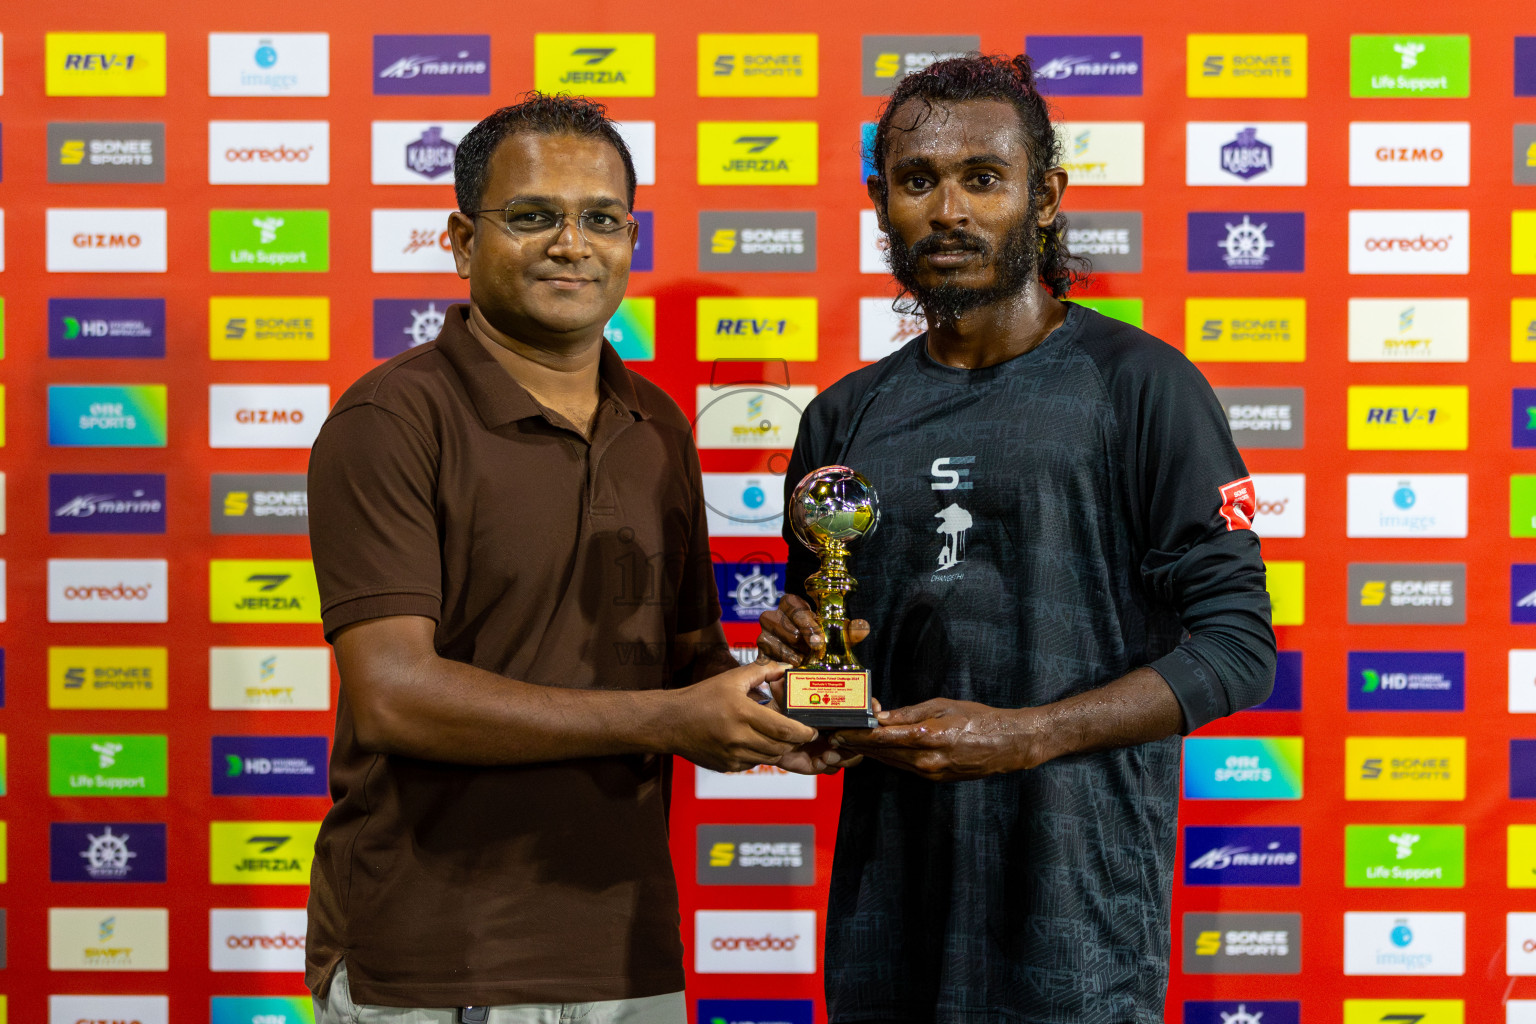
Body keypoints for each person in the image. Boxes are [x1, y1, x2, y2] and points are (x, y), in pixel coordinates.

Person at [757, 55, 1276, 1023]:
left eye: (982, 178)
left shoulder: (1143, 387)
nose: (947, 208)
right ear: (881, 203)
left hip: (1079, 934)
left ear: (1045, 198)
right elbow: (831, 653)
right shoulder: (841, 418)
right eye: (917, 181)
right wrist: (803, 679)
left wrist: (1025, 736)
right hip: (888, 932)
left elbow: (1241, 648)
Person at [305, 93, 816, 1024]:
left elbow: (688, 665)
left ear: (630, 238)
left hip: (627, 957)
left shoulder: (658, 423)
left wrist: (785, 698)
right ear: (463, 242)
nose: (571, 244)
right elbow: (393, 694)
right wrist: (672, 715)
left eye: (601, 219)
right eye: (533, 216)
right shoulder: (391, 420)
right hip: (439, 961)